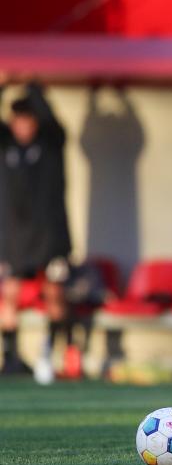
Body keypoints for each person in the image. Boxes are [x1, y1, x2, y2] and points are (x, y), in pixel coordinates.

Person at [0, 82, 72, 382]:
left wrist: (34, 89)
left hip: (50, 238)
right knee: (9, 296)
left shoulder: (51, 144)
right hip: (14, 240)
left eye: (28, 119)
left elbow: (55, 123)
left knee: (54, 294)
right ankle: (12, 357)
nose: (23, 126)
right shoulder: (5, 146)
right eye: (18, 120)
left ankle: (49, 355)